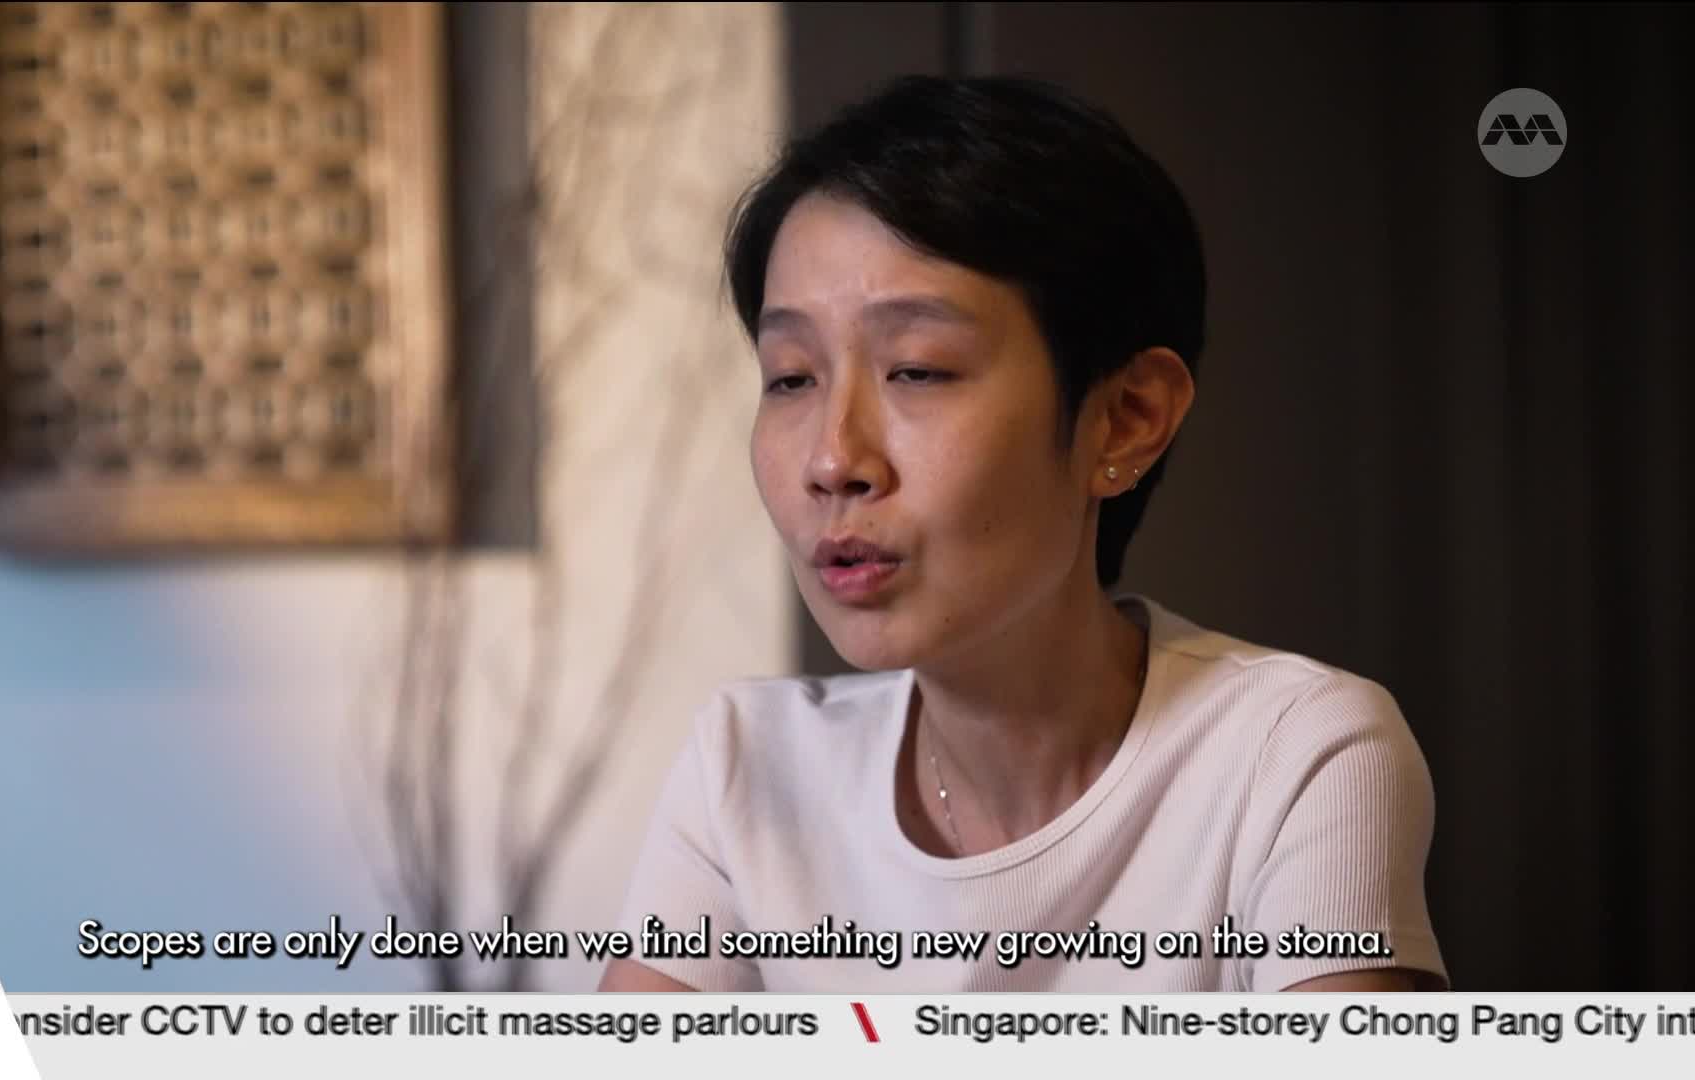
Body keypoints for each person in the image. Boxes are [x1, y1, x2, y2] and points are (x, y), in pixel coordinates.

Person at [599, 75, 1446, 993]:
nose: (832, 460)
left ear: (1125, 420)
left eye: (917, 369)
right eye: (791, 377)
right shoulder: (747, 770)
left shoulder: (1289, 757)